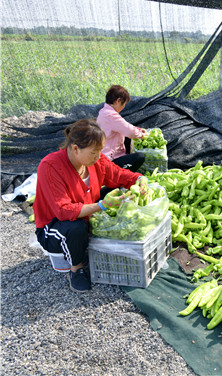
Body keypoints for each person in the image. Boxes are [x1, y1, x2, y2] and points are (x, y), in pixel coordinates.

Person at [33, 118, 148, 292]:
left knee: (117, 194)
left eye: (100, 151)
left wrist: (140, 179)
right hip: (54, 226)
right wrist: (102, 206)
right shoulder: (50, 166)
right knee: (76, 227)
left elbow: (118, 174)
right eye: (94, 152)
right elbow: (63, 211)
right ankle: (76, 269)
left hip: (84, 209)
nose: (99, 156)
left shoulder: (96, 161)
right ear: (75, 149)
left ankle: (82, 246)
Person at [96, 84, 146, 173]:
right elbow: (130, 132)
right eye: (124, 104)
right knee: (140, 157)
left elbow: (123, 126)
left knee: (127, 141)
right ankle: (121, 179)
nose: (124, 107)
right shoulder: (110, 115)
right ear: (118, 101)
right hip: (109, 161)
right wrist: (142, 134)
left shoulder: (104, 112)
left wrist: (138, 129)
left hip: (105, 156)